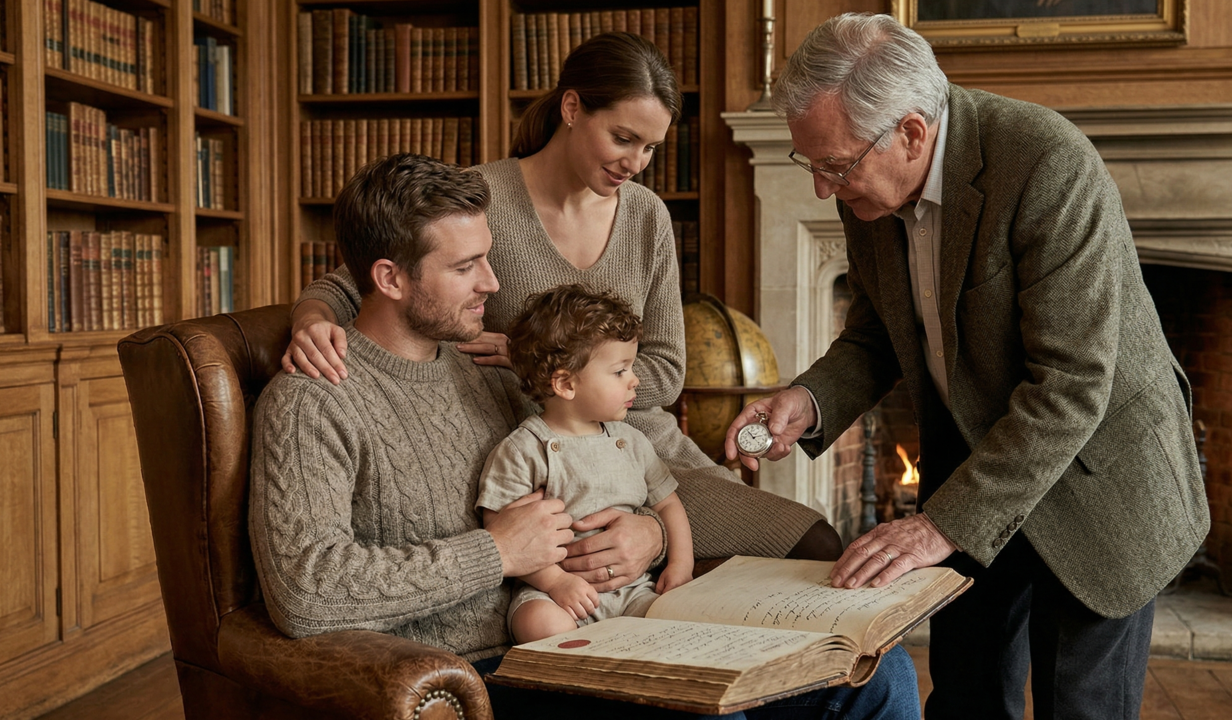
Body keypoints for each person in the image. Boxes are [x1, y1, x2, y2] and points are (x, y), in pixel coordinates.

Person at [251, 153, 919, 719]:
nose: (493, 283)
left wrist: (652, 534)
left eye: (488, 258)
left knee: (877, 674)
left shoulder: (484, 370)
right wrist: (495, 553)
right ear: (389, 278)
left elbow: (599, 463)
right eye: (465, 268)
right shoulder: (313, 402)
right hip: (487, 669)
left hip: (603, 629)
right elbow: (306, 590)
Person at [724, 13, 1209, 720]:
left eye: (836, 165)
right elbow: (875, 335)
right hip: (976, 465)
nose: (826, 190)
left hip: (1098, 478)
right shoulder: (871, 195)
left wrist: (936, 527)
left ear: (912, 132)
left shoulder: (1045, 162)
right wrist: (807, 398)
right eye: (814, 165)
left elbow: (1071, 388)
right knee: (965, 698)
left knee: (1083, 707)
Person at [285, 32, 842, 594]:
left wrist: (553, 363)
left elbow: (669, 372)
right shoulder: (482, 198)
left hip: (638, 445)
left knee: (817, 546)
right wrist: (311, 318)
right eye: (623, 138)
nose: (636, 163)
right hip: (542, 448)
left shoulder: (646, 216)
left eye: (651, 148)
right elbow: (367, 280)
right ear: (572, 108)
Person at [479, 284, 694, 643]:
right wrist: (556, 581)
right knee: (538, 623)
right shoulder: (522, 449)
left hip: (632, 589)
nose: (634, 380)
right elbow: (502, 531)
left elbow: (669, 503)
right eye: (619, 371)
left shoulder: (633, 442)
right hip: (554, 592)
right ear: (565, 384)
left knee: (678, 619)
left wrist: (680, 566)